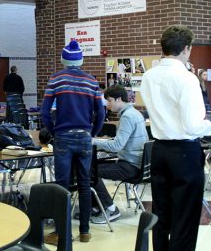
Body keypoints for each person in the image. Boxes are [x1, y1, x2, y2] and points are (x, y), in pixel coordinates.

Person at [140, 25, 211, 251]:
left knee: (161, 213)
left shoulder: (148, 76)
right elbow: (193, 125)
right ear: (187, 49)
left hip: (158, 150)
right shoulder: (187, 79)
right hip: (184, 153)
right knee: (185, 217)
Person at [41, 40, 105, 244]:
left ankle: (62, 233)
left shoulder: (56, 79)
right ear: (81, 60)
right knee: (85, 183)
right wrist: (92, 131)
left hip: (63, 137)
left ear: (63, 59)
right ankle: (85, 231)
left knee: (63, 185)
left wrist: (53, 131)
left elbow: (44, 112)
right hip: (85, 136)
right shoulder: (92, 81)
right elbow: (101, 112)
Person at [91, 85, 148, 224]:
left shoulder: (127, 117)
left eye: (109, 100)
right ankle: (97, 207)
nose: (107, 104)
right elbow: (121, 141)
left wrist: (92, 141)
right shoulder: (135, 113)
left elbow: (117, 146)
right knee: (92, 167)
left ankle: (111, 209)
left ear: (119, 99)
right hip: (137, 164)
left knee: (90, 171)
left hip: (130, 166)